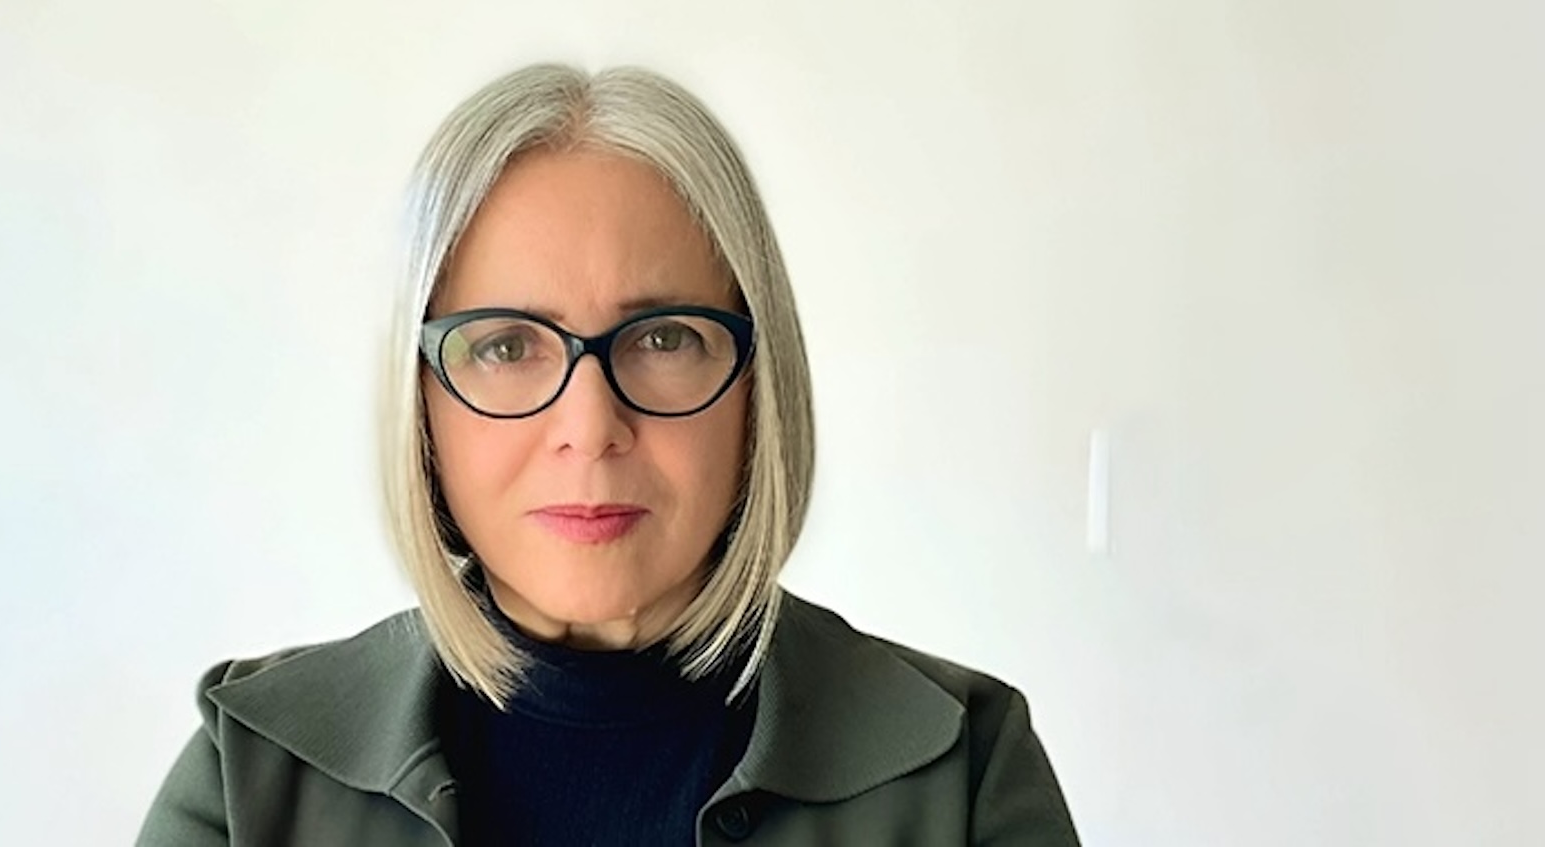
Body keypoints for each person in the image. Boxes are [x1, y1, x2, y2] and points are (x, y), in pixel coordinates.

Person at [136, 62, 1080, 846]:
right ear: (420, 405)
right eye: (505, 346)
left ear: (761, 383)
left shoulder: (962, 769)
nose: (589, 426)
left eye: (665, 338)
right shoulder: (251, 774)